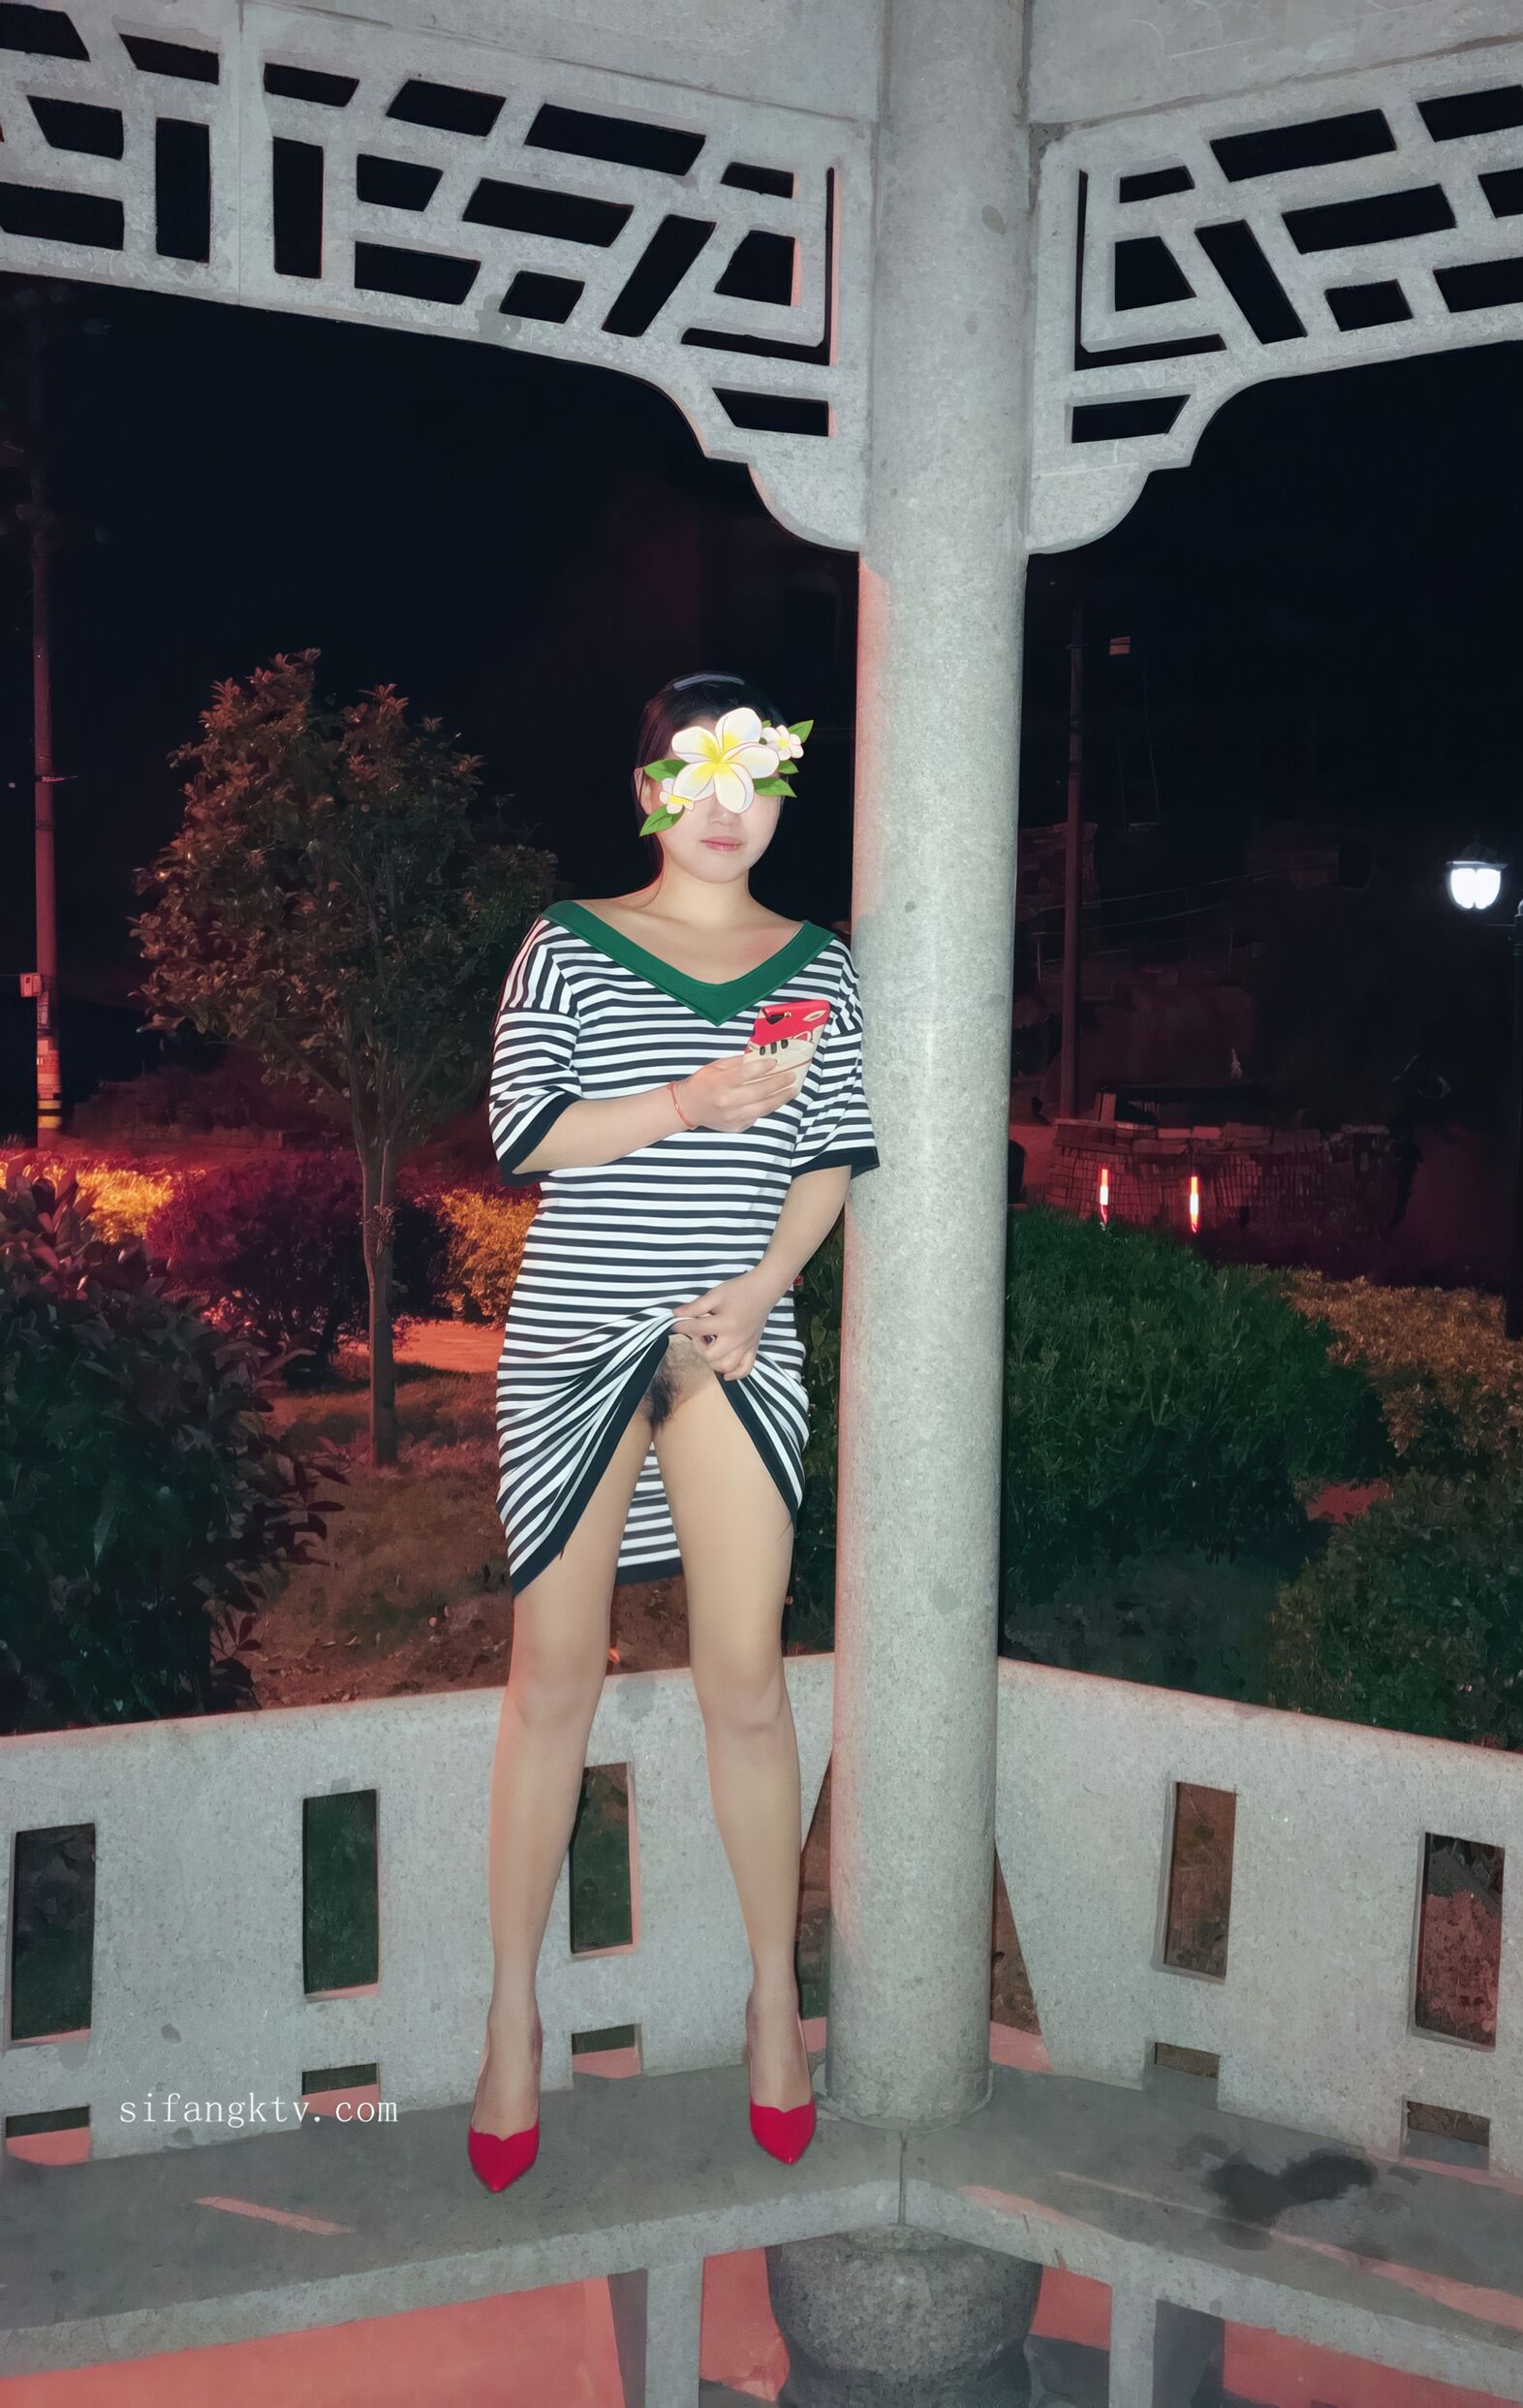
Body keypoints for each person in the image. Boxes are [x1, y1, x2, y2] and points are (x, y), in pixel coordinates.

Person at [468, 672, 879, 2193]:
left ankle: (775, 2002)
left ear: (781, 797)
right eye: (696, 777)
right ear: (650, 793)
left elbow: (832, 1150)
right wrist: (685, 1102)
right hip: (576, 1341)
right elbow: (524, 1130)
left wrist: (769, 1287)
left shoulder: (821, 964)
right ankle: (511, 2019)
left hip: (732, 1341)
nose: (725, 807)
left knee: (746, 1680)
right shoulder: (569, 942)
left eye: (753, 778)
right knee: (552, 1677)